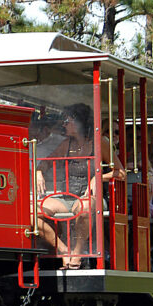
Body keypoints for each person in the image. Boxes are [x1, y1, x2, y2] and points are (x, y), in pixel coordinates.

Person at [35, 103, 126, 268]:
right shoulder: (66, 144)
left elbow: (121, 173)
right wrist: (39, 172)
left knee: (85, 208)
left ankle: (77, 252)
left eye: (67, 120)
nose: (64, 124)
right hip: (67, 197)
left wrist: (98, 177)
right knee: (32, 213)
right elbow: (45, 163)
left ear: (79, 123)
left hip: (91, 197)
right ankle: (64, 250)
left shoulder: (100, 143)